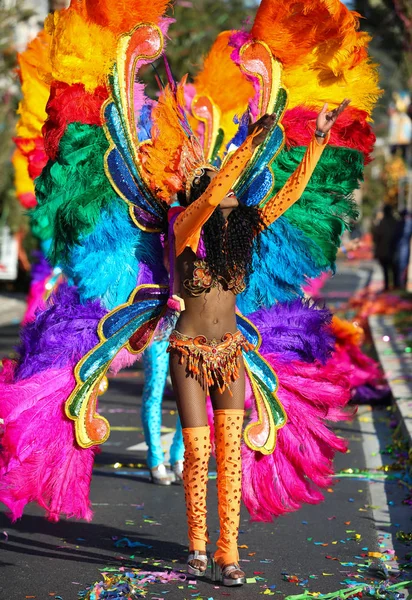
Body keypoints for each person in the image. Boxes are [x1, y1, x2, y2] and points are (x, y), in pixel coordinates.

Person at [167, 100, 349, 585]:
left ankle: (228, 553)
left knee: (230, 453)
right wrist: (246, 147)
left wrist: (317, 140)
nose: (228, 195)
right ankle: (197, 547)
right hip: (187, 352)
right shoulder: (186, 230)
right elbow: (209, 200)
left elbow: (287, 195)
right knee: (197, 450)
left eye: (226, 188)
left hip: (231, 351)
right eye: (216, 185)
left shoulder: (240, 233)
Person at [141, 339, 184, 484]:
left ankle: (179, 455)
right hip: (158, 332)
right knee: (154, 390)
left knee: (188, 396)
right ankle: (155, 458)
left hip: (188, 331)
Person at [372, 204, 400, 290]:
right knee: (394, 270)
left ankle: (387, 286)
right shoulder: (396, 222)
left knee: (386, 270)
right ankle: (395, 286)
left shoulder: (382, 222)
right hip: (394, 250)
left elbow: (376, 237)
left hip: (384, 250)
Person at [395, 209, 412, 290]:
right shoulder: (408, 223)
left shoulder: (400, 223)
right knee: (403, 266)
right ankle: (402, 283)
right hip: (404, 247)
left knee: (401, 266)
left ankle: (401, 283)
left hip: (400, 247)